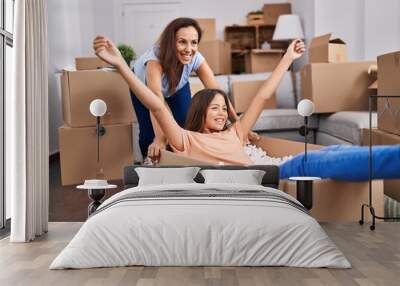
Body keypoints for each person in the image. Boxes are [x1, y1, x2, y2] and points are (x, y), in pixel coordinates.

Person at [93, 36, 305, 165]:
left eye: (224, 108)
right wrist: (121, 66)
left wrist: (287, 58)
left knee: (322, 158)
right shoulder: (185, 140)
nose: (223, 113)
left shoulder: (237, 133)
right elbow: (156, 105)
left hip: (259, 183)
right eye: (215, 108)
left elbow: (263, 95)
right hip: (229, 192)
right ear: (200, 112)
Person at [130, 17, 244, 161]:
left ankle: (185, 161)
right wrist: (160, 139)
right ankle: (148, 163)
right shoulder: (154, 61)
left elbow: (217, 90)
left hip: (177, 88)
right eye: (182, 42)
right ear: (171, 43)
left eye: (194, 42)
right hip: (147, 90)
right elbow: (156, 101)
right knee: (149, 135)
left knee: (186, 124)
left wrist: (236, 124)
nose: (189, 49)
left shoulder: (196, 58)